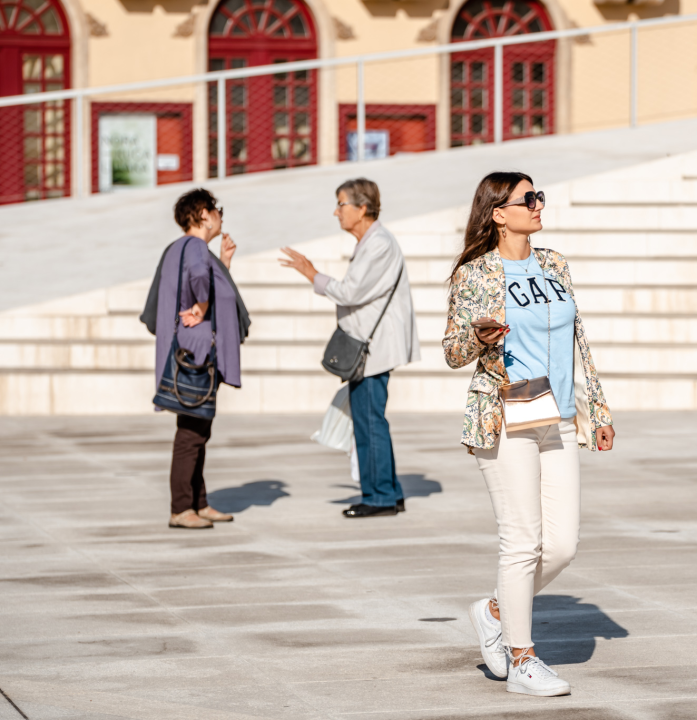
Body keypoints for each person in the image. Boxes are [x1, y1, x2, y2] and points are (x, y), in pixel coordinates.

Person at [443, 172, 615, 697]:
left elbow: (578, 338)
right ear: (499, 213)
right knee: (522, 541)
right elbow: (452, 352)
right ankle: (521, 659)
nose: (538, 204)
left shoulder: (554, 263)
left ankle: (494, 610)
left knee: (561, 546)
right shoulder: (475, 274)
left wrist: (597, 408)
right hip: (506, 413)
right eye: (528, 198)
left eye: (539, 196)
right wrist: (478, 337)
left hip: (557, 414)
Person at [279, 178, 421, 518]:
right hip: (371, 348)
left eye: (341, 204)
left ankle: (379, 497)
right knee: (370, 421)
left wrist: (312, 273)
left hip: (374, 350)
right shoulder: (371, 243)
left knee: (369, 423)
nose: (336, 212)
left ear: (362, 208)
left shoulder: (378, 244)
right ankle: (389, 491)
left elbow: (350, 292)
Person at [144, 188, 245, 530]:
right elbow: (200, 279)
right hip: (196, 354)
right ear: (203, 214)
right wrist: (201, 307)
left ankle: (198, 503)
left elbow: (207, 280)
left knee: (198, 428)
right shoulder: (196, 247)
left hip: (189, 351)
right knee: (191, 433)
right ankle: (181, 508)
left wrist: (224, 263)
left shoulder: (180, 248)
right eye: (217, 210)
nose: (220, 217)